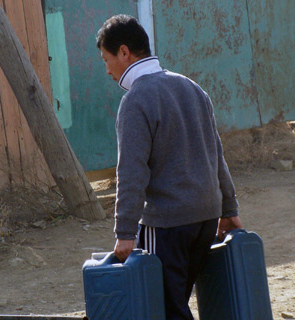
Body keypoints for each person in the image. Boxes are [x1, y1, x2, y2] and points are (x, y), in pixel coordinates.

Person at [96, 14, 243, 319]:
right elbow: (216, 154)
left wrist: (125, 232)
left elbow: (132, 173)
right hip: (206, 218)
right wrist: (229, 210)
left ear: (124, 52)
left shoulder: (136, 100)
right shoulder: (191, 87)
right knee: (178, 302)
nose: (107, 70)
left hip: (168, 225)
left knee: (166, 309)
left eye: (106, 59)